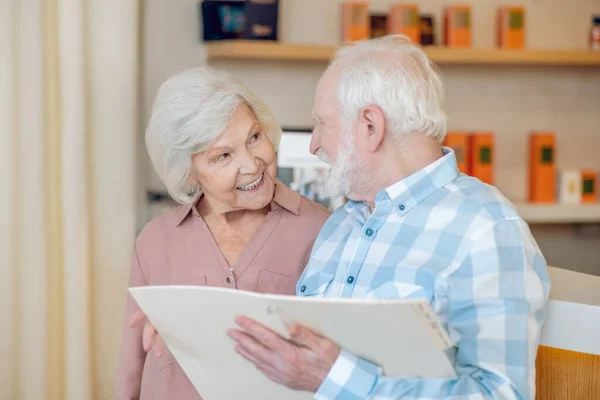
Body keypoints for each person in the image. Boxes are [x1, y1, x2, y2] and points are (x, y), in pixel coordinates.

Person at [228, 35, 551, 400]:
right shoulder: (341, 223)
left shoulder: (486, 230)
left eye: (321, 123)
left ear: (370, 125)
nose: (313, 144)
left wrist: (336, 379)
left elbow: (501, 395)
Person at [115, 67, 330, 399]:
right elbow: (132, 368)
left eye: (254, 137)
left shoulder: (324, 230)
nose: (252, 164)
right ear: (188, 172)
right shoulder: (156, 241)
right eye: (223, 156)